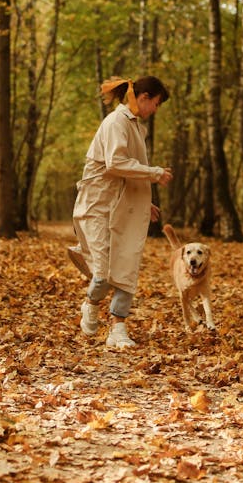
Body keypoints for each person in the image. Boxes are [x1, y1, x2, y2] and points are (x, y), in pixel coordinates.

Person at [69, 75, 173, 348]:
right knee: (102, 275)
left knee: (126, 265)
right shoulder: (116, 122)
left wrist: (143, 201)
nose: (156, 110)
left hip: (123, 204)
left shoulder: (138, 127)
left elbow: (128, 171)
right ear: (144, 97)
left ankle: (118, 328)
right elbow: (116, 163)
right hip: (97, 205)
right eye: (157, 103)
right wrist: (154, 173)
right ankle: (90, 303)